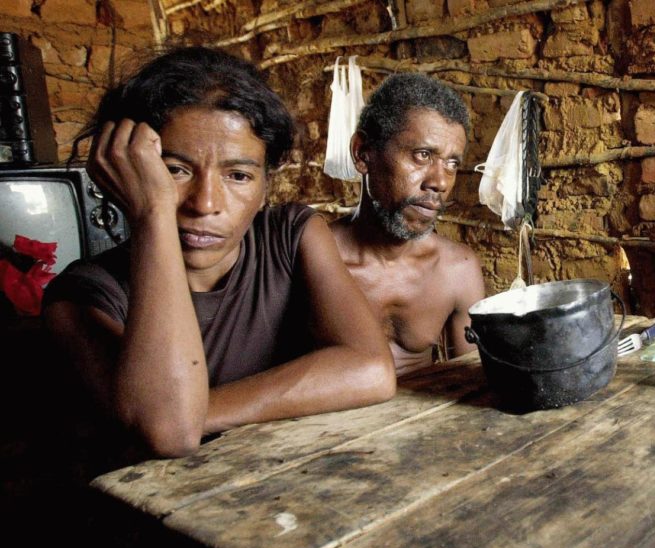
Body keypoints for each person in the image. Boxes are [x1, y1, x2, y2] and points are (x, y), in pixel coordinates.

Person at [43, 47, 396, 458]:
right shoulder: (82, 297)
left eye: (238, 175)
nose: (205, 203)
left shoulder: (291, 237)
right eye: (174, 170)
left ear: (265, 185)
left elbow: (371, 369)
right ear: (127, 171)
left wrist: (197, 412)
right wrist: (153, 213)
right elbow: (170, 431)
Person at [330, 73, 486, 377]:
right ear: (363, 153)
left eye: (452, 163)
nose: (440, 182)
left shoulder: (457, 269)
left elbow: (472, 382)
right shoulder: (312, 261)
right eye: (422, 155)